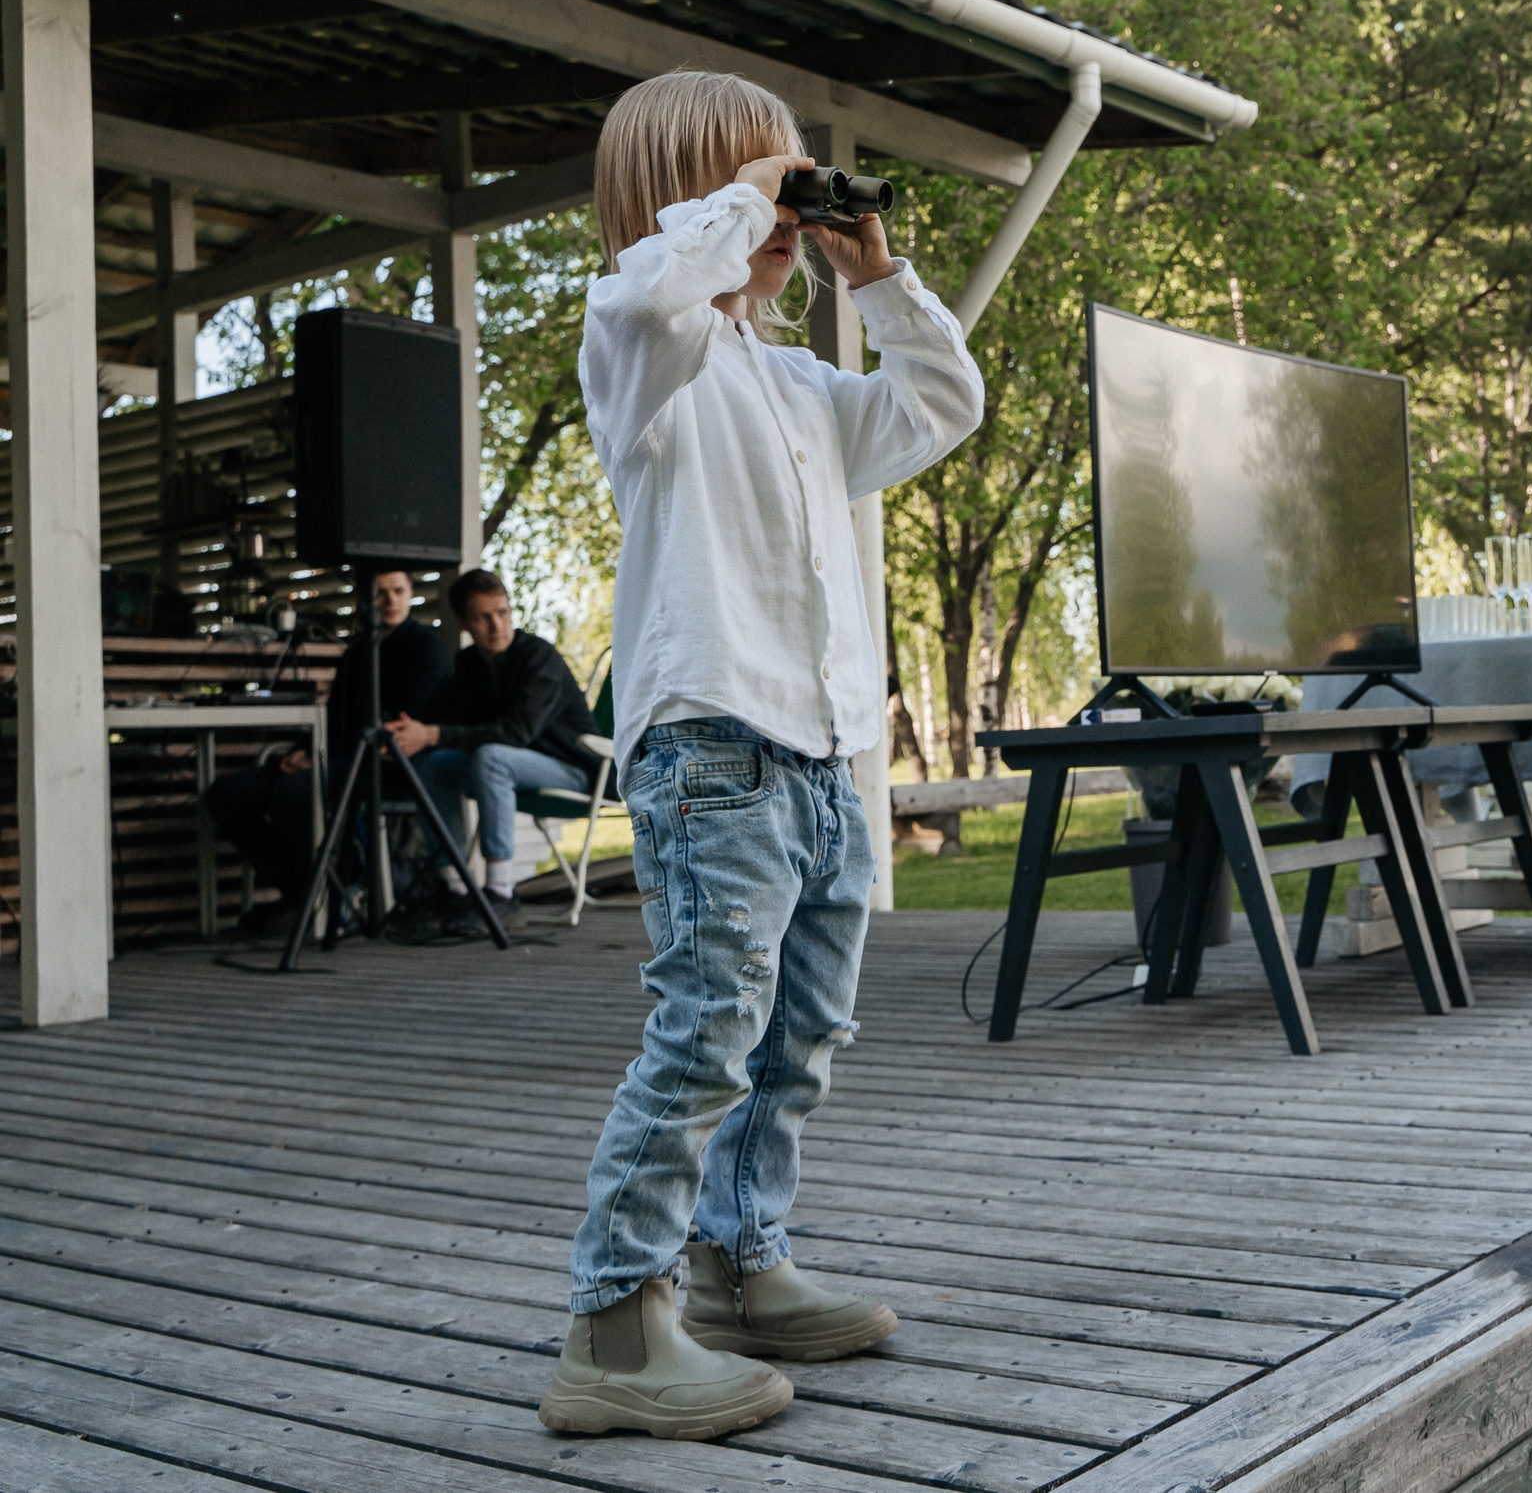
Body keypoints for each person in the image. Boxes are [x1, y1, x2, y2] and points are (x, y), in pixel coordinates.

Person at [536, 70, 982, 1440]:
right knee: (708, 1035)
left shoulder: (798, 382)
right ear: (686, 204)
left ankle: (738, 1260)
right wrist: (745, 204)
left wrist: (877, 275)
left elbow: (942, 401)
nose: (790, 212)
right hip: (714, 748)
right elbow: (649, 300)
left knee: (799, 1037)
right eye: (765, 186)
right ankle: (615, 1323)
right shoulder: (643, 354)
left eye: (798, 186)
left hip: (823, 755)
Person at [204, 566, 451, 932]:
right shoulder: (356, 652)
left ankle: (332, 892)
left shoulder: (426, 648)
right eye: (380, 592)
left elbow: (398, 727)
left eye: (398, 591)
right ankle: (300, 891)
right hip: (337, 759)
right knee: (227, 793)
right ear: (363, 600)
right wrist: (304, 750)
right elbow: (336, 717)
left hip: (388, 767)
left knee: (294, 793)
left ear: (411, 594)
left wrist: (322, 758)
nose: (390, 601)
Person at [388, 567, 601, 929]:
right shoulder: (469, 663)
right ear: (463, 622)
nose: (497, 626)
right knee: (431, 765)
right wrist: (409, 733)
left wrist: (433, 734)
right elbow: (453, 723)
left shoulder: (538, 657)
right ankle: (456, 888)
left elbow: (515, 733)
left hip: (573, 770)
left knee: (491, 756)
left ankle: (502, 892)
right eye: (483, 617)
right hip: (510, 768)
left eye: (503, 613)